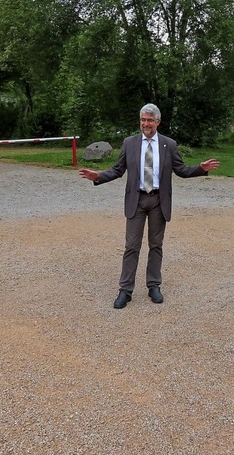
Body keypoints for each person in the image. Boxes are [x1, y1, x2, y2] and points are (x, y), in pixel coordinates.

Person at [79, 103, 220, 308]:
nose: (146, 124)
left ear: (158, 122)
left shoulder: (169, 145)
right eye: (143, 120)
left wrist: (200, 168)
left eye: (150, 120)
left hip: (158, 201)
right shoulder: (130, 143)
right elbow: (118, 170)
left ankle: (154, 285)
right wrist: (99, 176)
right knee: (131, 246)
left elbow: (180, 170)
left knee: (156, 245)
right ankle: (125, 290)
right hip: (136, 200)